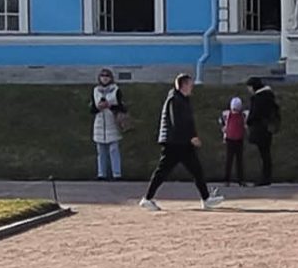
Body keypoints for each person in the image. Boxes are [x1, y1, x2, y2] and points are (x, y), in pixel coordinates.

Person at [140, 73, 221, 211]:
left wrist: (192, 136)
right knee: (162, 172)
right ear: (183, 85)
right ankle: (147, 199)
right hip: (174, 143)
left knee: (196, 170)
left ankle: (206, 199)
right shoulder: (175, 100)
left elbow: (188, 122)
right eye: (190, 85)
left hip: (182, 142)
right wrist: (191, 137)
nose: (192, 88)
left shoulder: (183, 100)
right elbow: (177, 122)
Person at [89, 69, 127, 180]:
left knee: (114, 150)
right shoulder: (96, 90)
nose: (105, 78)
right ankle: (102, 174)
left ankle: (117, 174)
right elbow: (92, 109)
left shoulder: (116, 90)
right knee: (101, 151)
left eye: (107, 76)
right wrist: (98, 107)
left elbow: (122, 107)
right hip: (100, 123)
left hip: (112, 122)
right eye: (102, 76)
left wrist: (109, 105)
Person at [245, 77, 281, 186]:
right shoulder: (269, 96)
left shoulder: (258, 98)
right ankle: (267, 177)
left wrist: (248, 120)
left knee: (264, 154)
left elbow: (255, 113)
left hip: (260, 128)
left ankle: (264, 178)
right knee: (266, 154)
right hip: (268, 127)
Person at [221, 96, 250, 185]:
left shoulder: (227, 114)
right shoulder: (242, 115)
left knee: (234, 160)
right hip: (236, 139)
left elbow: (222, 122)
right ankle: (237, 180)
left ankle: (230, 180)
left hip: (233, 138)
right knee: (236, 160)